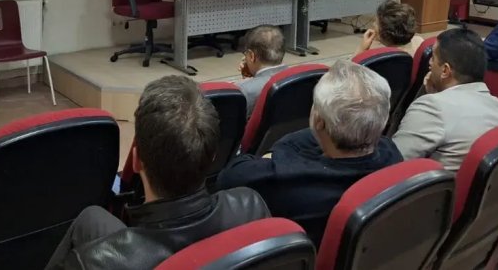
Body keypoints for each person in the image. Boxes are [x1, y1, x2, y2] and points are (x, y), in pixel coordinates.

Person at [45, 75, 270, 270]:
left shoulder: (93, 262)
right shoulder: (251, 206)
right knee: (92, 218)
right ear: (213, 157)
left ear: (136, 161)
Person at [217, 59, 401, 246]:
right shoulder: (392, 155)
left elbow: (228, 178)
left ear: (319, 121)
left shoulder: (282, 179)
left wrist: (271, 158)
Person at [392, 27, 498, 171]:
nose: (429, 63)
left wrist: (427, 98)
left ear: (445, 70)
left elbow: (393, 164)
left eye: (433, 58)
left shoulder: (431, 108)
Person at [237, 25, 287, 118]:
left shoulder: (243, 91)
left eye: (245, 54)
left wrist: (248, 83)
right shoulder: (300, 78)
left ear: (251, 56)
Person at [355, 0, 423, 56]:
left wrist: (361, 49)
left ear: (384, 34)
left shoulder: (374, 56)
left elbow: (349, 71)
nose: (373, 24)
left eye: (376, 23)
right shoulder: (420, 43)